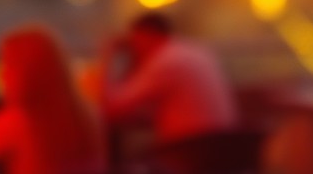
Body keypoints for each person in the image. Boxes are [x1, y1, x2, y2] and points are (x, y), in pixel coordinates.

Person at [0, 25, 106, 174]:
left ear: (26, 74)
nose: (2, 74)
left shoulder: (20, 122)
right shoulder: (90, 117)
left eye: (8, 65)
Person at [98, 12, 238, 144]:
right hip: (225, 145)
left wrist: (109, 55)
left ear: (144, 36)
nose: (133, 48)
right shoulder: (195, 51)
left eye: (134, 41)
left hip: (192, 147)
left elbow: (112, 108)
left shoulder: (164, 61)